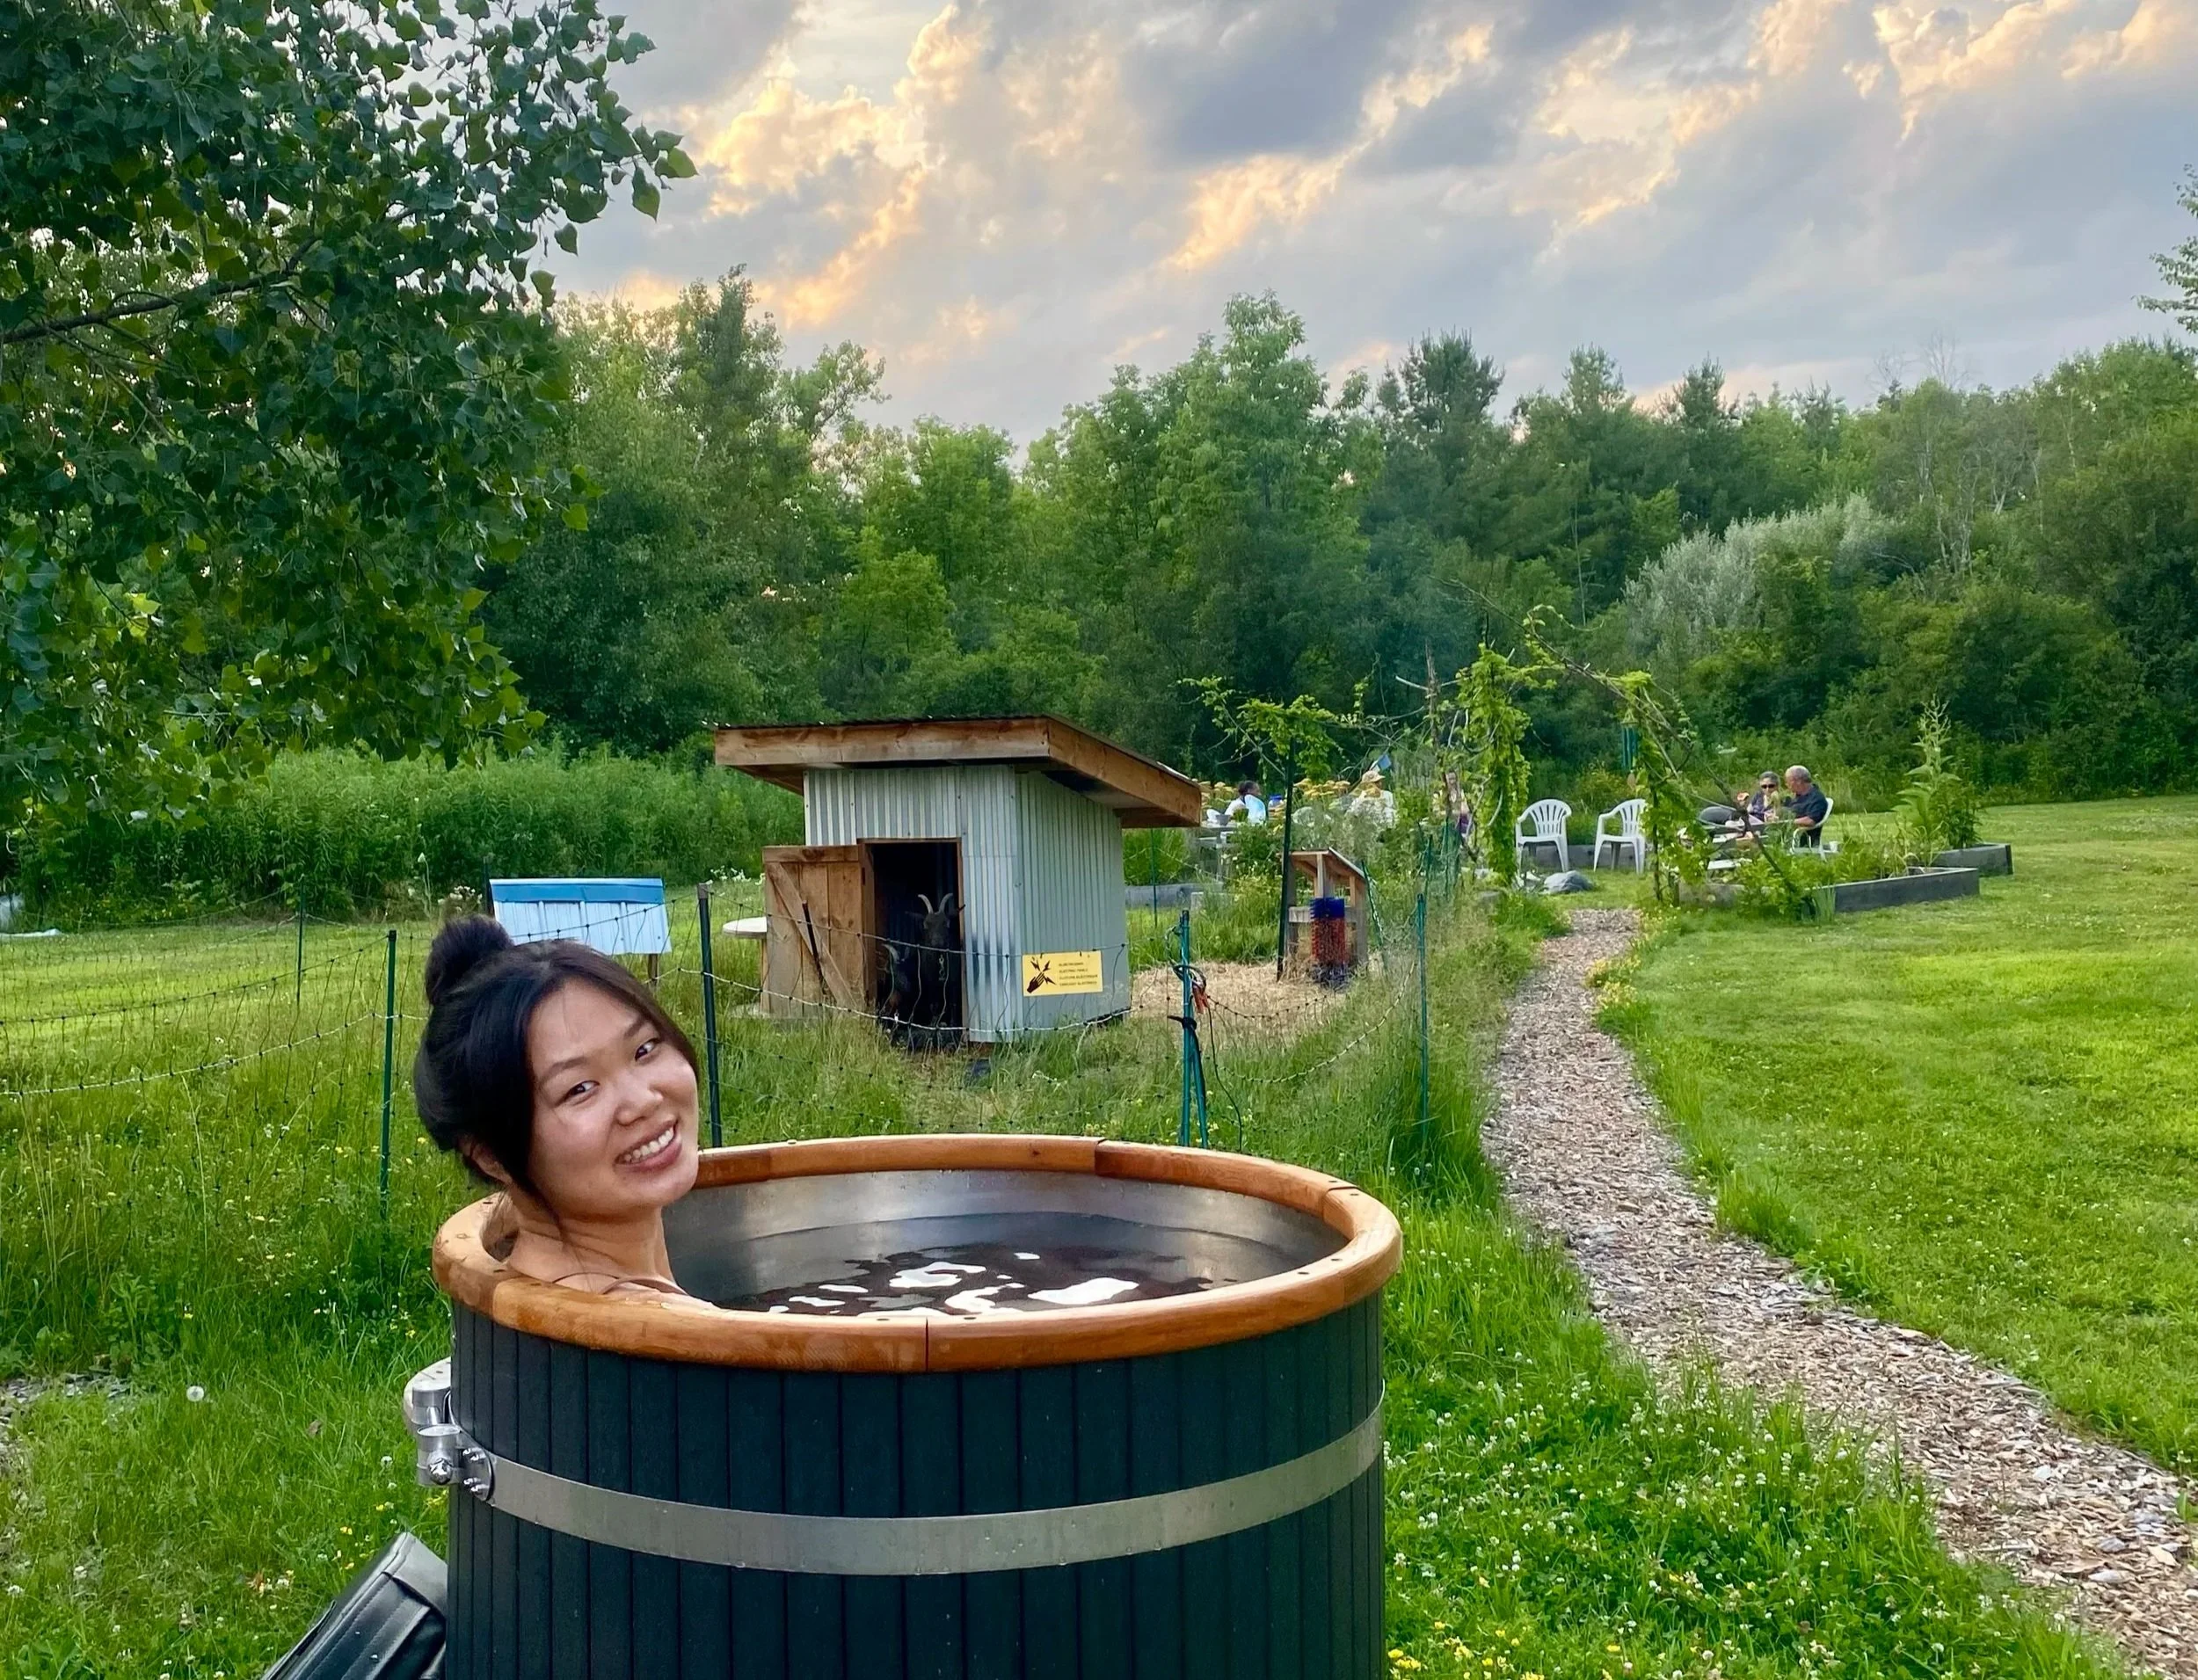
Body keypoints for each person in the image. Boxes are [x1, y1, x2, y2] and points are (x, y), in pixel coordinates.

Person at [413, 916, 709, 1300]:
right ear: (490, 1155)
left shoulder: (551, 1306)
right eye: (580, 1089)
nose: (643, 1100)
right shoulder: (637, 1338)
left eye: (645, 1049)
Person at [1783, 764, 1830, 845]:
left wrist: (1785, 822)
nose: (1786, 785)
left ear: (1798, 781)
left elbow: (1810, 821)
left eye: (1788, 781)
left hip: (1802, 837)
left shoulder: (1816, 799)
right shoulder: (1797, 797)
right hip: (1786, 833)